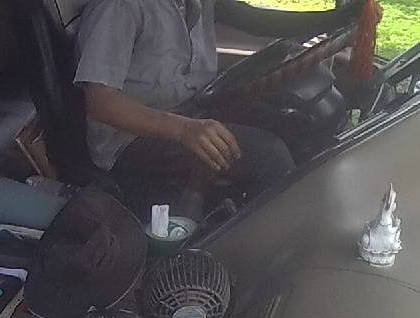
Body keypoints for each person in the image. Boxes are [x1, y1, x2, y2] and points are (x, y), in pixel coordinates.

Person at [74, 0, 362, 203]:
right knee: (269, 155)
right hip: (131, 140)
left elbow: (256, 20)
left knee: (296, 121)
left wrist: (335, 18)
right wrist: (183, 129)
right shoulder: (118, 7)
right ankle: (276, 246)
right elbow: (101, 102)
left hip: (193, 108)